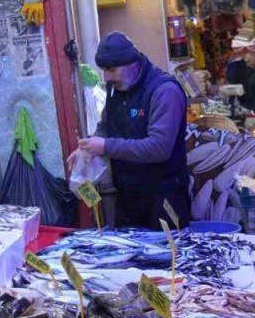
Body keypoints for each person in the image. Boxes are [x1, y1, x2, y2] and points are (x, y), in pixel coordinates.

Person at [80, 31, 191, 229]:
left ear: (132, 63)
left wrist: (105, 146)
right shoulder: (115, 89)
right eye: (104, 70)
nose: (106, 77)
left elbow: (159, 148)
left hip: (164, 199)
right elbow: (106, 125)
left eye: (111, 70)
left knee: (165, 258)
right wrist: (90, 146)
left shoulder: (165, 91)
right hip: (128, 199)